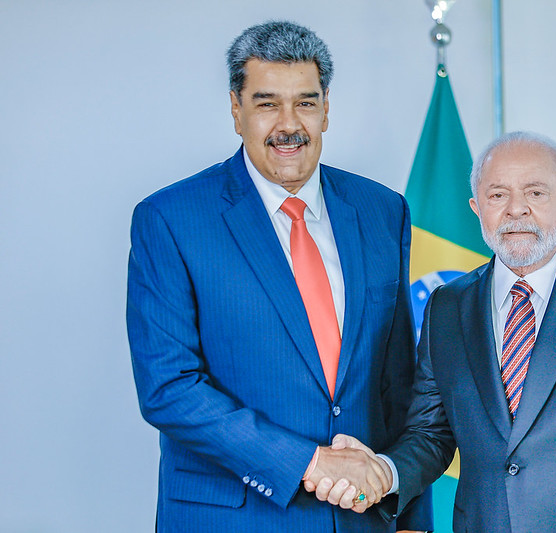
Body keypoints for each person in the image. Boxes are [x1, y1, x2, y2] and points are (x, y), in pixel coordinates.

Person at [318, 131, 556, 532]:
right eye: (497, 195)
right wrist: (384, 470)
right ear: (477, 208)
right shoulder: (447, 307)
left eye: (536, 193)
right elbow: (430, 434)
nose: (516, 210)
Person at [126, 21, 431, 532]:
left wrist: (410, 517)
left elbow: (397, 382)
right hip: (234, 519)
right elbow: (169, 387)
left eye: (306, 103)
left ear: (326, 109)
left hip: (362, 518)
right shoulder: (171, 219)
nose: (289, 124)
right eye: (267, 103)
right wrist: (311, 463)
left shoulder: (383, 211)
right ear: (235, 108)